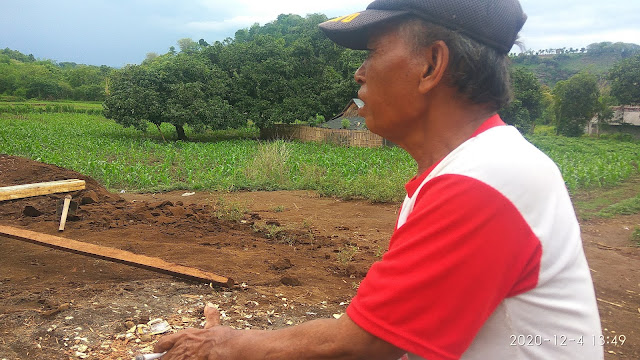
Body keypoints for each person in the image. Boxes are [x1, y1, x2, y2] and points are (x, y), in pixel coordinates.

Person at [155, 0, 604, 359]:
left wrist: (224, 346)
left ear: (432, 64)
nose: (359, 72)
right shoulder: (476, 166)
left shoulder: (482, 181)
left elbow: (365, 345)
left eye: (372, 52)